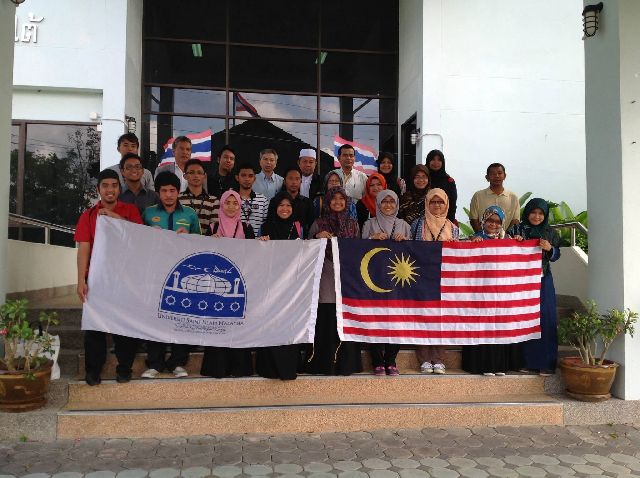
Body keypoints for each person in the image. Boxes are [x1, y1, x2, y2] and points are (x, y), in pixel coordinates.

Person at [74, 169, 142, 385]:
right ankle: (93, 370)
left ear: (119, 189)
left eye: (114, 185)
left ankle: (124, 368)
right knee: (94, 326)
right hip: (96, 279)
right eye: (105, 186)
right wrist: (81, 280)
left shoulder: (130, 211)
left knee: (125, 324)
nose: (110, 189)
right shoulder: (88, 215)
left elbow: (139, 238)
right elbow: (84, 249)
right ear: (98, 189)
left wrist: (116, 218)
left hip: (125, 278)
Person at [141, 172, 200, 379]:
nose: (168, 194)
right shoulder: (148, 213)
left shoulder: (190, 214)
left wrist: (189, 237)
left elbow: (201, 243)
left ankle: (178, 362)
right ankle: (155, 363)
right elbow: (138, 241)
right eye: (164, 191)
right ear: (158, 192)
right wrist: (150, 236)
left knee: (180, 317)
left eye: (172, 190)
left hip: (182, 274)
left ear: (178, 192)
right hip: (155, 273)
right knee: (155, 317)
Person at [306, 187, 362, 376]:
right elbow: (307, 250)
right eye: (333, 199)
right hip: (325, 276)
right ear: (328, 202)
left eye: (341, 198)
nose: (337, 202)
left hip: (346, 277)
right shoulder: (318, 223)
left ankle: (346, 364)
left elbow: (358, 250)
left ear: (346, 202)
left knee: (344, 318)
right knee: (327, 317)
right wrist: (317, 237)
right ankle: (324, 364)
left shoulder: (353, 224)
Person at [201, 190, 255, 378]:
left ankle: (239, 367)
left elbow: (254, 255)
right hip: (216, 287)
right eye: (227, 203)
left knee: (237, 324)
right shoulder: (213, 227)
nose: (231, 206)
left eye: (235, 203)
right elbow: (204, 256)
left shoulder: (247, 228)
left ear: (240, 206)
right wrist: (211, 242)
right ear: (221, 205)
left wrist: (262, 242)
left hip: (239, 285)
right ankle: (217, 367)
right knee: (218, 325)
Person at [462, 206, 519, 376]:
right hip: (479, 292)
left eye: (497, 221)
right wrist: (473, 245)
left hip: (501, 292)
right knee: (481, 326)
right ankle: (481, 366)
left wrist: (519, 243)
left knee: (499, 326)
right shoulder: (475, 238)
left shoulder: (508, 239)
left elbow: (516, 260)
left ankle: (499, 366)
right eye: (489, 220)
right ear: (483, 221)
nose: (493, 224)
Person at [507, 198, 561, 376]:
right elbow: (505, 249)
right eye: (533, 212)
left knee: (545, 319)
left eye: (540, 213)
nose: (536, 216)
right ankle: (525, 362)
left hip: (543, 280)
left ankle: (546, 363)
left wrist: (550, 249)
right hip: (520, 281)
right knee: (523, 319)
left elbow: (556, 255)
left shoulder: (550, 232)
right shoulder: (516, 229)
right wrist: (514, 242)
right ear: (527, 212)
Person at [361, 189, 411, 376]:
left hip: (398, 281)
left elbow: (414, 251)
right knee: (375, 319)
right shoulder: (369, 224)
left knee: (396, 320)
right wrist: (371, 239)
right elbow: (358, 250)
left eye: (392, 201)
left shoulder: (404, 225)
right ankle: (377, 361)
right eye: (384, 201)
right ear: (378, 203)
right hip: (373, 280)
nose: (388, 205)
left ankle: (391, 360)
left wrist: (405, 241)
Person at [410, 188, 459, 374]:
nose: (437, 205)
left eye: (440, 202)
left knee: (441, 318)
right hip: (420, 277)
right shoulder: (417, 224)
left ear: (446, 204)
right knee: (422, 317)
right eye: (433, 201)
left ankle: (439, 359)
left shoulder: (453, 227)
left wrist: (455, 247)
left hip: (443, 279)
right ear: (427, 203)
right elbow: (410, 248)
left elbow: (458, 255)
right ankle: (424, 359)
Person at [255, 191, 303, 380]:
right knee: (271, 324)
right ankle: (269, 368)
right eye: (281, 205)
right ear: (275, 208)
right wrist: (260, 243)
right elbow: (257, 256)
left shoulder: (298, 226)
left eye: (288, 205)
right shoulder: (265, 226)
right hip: (270, 287)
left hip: (291, 287)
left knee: (288, 325)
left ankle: (288, 367)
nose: (285, 209)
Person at [469, 163, 519, 233]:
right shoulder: (478, 196)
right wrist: (482, 235)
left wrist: (505, 236)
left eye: (500, 173)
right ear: (487, 177)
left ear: (505, 176)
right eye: (493, 174)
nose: (497, 176)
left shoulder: (513, 197)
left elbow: (515, 220)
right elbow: (473, 219)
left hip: (506, 238)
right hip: (482, 238)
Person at [178, 158, 219, 233]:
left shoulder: (214, 201)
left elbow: (214, 228)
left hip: (206, 240)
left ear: (204, 176)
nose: (196, 175)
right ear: (185, 176)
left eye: (199, 173)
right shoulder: (178, 199)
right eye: (191, 172)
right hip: (182, 239)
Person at [235, 163, 269, 237]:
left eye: (250, 176)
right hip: (235, 241)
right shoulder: (231, 199)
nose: (247, 179)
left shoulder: (263, 200)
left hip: (257, 242)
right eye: (243, 175)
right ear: (237, 177)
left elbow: (267, 225)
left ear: (254, 179)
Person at [280, 166, 315, 236]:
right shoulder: (276, 201)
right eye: (290, 178)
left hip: (302, 240)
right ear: (284, 181)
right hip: (280, 239)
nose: (294, 182)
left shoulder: (307, 203)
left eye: (297, 179)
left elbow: (311, 226)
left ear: (301, 181)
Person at [425, 149, 457, 223]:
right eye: (433, 159)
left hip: (444, 222)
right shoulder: (423, 179)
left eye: (439, 160)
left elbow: (452, 205)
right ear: (428, 161)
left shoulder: (449, 181)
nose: (436, 162)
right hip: (424, 222)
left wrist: (448, 223)